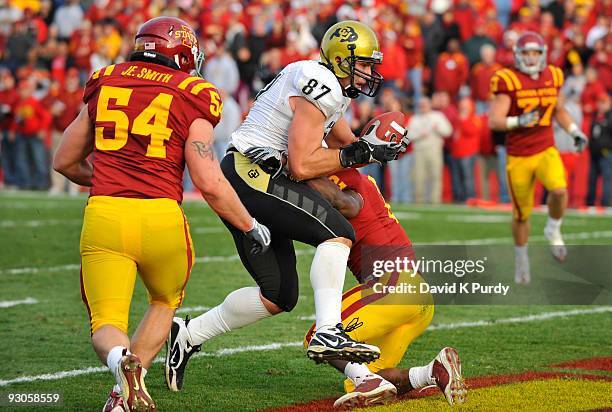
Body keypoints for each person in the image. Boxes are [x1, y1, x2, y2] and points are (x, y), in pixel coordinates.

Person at [165, 20, 406, 392]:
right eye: (364, 64)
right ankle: (329, 331)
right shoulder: (320, 83)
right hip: (253, 172)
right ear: (343, 60)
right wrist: (360, 151)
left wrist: (375, 146)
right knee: (338, 233)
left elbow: (349, 151)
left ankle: (189, 333)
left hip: (252, 175)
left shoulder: (329, 88)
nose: (370, 73)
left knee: (278, 294)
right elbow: (304, 164)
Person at [53, 17, 271, 412]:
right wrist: (249, 223)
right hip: (161, 217)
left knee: (106, 323)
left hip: (106, 214)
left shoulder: (107, 79)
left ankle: (121, 364)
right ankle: (122, 398)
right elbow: (207, 178)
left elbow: (65, 161)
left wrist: (107, 178)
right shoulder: (194, 91)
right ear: (183, 53)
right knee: (164, 301)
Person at [303, 169, 467, 408]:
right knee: (360, 380)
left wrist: (296, 170)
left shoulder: (347, 180)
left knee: (318, 336)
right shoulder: (359, 177)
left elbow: (345, 202)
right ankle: (433, 372)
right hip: (419, 296)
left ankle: (371, 382)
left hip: (394, 286)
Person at [489, 32, 588, 284]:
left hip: (545, 148)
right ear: (518, 56)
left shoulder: (553, 75)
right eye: (526, 53)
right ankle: (521, 258)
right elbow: (495, 120)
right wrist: (518, 121)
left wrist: (575, 131)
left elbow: (559, 109)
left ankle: (553, 230)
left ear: (542, 55)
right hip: (519, 156)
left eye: (535, 53)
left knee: (559, 191)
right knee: (521, 215)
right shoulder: (507, 79)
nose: (531, 58)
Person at [586, 93, 612, 207]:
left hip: (606, 153)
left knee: (607, 179)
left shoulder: (610, 117)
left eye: (603, 103)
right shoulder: (596, 117)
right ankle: (590, 203)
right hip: (594, 153)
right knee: (592, 179)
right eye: (599, 103)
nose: (601, 106)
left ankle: (606, 204)